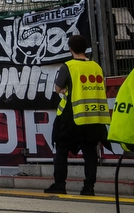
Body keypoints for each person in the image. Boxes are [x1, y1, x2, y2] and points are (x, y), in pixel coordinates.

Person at [44, 34, 109, 196]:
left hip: (71, 117)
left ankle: (60, 184)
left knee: (61, 150)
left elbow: (58, 88)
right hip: (94, 118)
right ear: (85, 48)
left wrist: (65, 90)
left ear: (70, 48)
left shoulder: (68, 66)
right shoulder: (96, 66)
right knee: (90, 154)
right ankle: (89, 187)